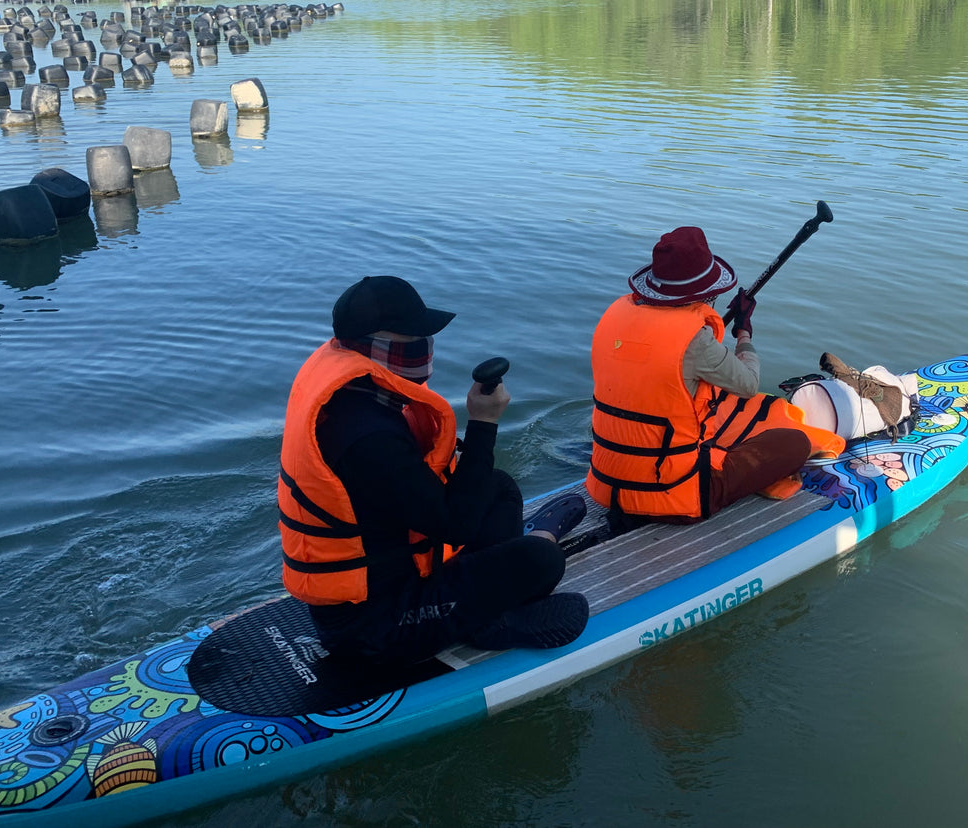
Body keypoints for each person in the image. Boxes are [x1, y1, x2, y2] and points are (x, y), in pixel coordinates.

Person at [278, 276, 588, 665]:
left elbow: (441, 510)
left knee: (498, 487)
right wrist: (484, 422)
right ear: (374, 346)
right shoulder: (369, 438)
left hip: (394, 576)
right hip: (375, 626)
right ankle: (487, 619)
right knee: (543, 562)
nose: (428, 346)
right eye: (415, 337)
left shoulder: (359, 402)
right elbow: (456, 525)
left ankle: (507, 569)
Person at [587, 226, 846, 527]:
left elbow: (665, 367)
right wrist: (743, 330)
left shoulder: (613, 317)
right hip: (674, 494)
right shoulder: (695, 343)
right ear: (703, 292)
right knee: (796, 442)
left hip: (605, 485)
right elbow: (748, 384)